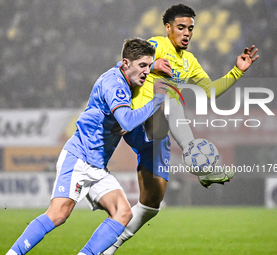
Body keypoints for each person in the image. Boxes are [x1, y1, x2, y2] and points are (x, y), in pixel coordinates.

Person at [103, 4, 259, 254]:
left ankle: (109, 246)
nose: (187, 33)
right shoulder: (156, 45)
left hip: (159, 135)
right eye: (181, 27)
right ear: (168, 28)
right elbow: (127, 68)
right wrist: (151, 68)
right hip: (139, 121)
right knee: (170, 96)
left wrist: (236, 72)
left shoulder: (189, 61)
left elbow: (209, 92)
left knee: (152, 202)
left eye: (191, 29)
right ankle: (199, 161)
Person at [5, 38, 167, 255]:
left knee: (122, 212)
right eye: (143, 66)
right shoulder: (114, 85)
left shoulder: (125, 79)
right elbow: (127, 121)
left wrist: (153, 68)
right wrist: (157, 100)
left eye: (149, 65)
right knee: (58, 214)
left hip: (98, 166)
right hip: (79, 157)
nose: (147, 72)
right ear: (126, 63)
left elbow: (126, 120)